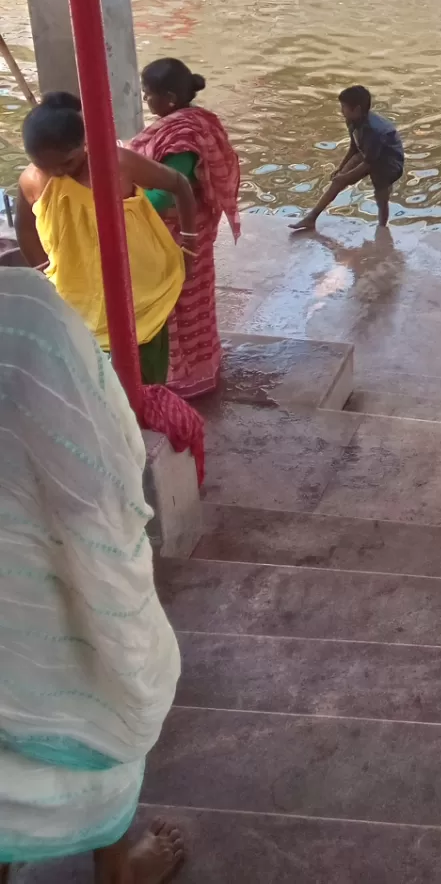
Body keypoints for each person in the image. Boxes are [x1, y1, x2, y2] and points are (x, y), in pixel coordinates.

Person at [0, 268, 184, 882]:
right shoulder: (26, 314)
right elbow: (105, 471)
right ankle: (114, 868)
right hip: (41, 601)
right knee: (101, 666)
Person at [15, 94, 195, 386]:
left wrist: (190, 246)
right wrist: (42, 272)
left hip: (137, 292)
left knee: (143, 382)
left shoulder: (117, 163)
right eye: (46, 165)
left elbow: (179, 184)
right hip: (77, 298)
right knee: (91, 385)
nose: (59, 172)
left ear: (84, 142)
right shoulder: (31, 179)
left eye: (67, 162)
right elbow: (24, 228)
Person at [130, 58, 241, 400]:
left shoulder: (183, 136)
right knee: (195, 302)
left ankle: (183, 377)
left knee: (176, 306)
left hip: (177, 240)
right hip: (188, 236)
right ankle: (200, 368)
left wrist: (121, 205)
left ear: (170, 98)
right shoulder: (199, 122)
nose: (146, 101)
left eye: (149, 95)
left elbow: (165, 193)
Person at [289, 84, 405, 232]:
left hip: (387, 162)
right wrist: (341, 169)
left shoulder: (375, 131)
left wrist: (347, 177)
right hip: (366, 154)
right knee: (337, 180)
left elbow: (370, 163)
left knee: (381, 196)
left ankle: (382, 227)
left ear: (356, 109)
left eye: (344, 107)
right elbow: (354, 147)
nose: (341, 111)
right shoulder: (352, 120)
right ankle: (311, 218)